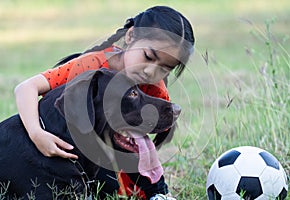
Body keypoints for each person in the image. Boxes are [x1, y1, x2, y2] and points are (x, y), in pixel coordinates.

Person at [14, 5, 195, 199]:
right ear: (131, 35)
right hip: (66, 145)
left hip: (114, 152)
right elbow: (26, 88)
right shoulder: (90, 66)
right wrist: (36, 133)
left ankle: (159, 195)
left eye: (165, 68)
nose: (150, 72)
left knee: (137, 148)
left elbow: (153, 132)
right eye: (149, 57)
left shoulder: (154, 87)